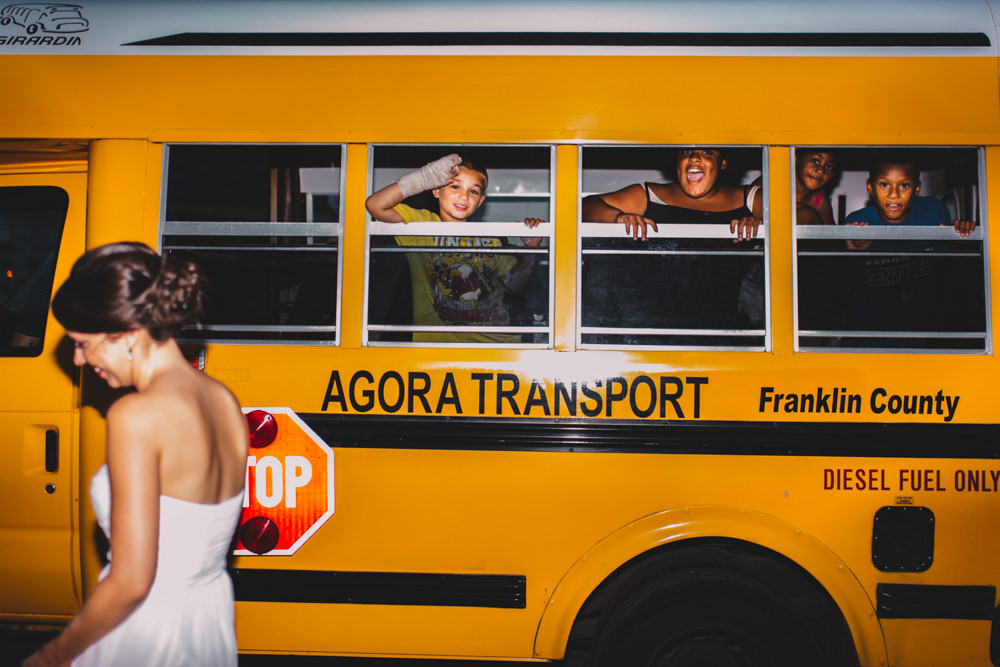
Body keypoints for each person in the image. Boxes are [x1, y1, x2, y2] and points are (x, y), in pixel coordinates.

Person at [24, 242, 248, 667]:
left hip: (149, 628)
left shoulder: (137, 415)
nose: (78, 358)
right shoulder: (222, 399)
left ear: (126, 335)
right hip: (207, 617)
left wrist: (53, 656)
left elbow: (131, 581)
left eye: (82, 344)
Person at [365, 153, 544, 343]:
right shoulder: (422, 224)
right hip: (439, 345)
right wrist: (424, 177)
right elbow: (375, 205)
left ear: (480, 201)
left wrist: (531, 250)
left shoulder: (490, 236)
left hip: (496, 343)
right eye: (455, 186)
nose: (463, 196)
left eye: (473, 191)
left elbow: (513, 284)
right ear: (435, 190)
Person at [840, 157, 978, 339]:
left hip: (925, 332)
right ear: (869, 187)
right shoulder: (858, 222)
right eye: (884, 184)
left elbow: (951, 268)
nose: (894, 194)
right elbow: (841, 283)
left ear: (917, 188)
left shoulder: (934, 211)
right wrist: (854, 252)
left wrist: (964, 236)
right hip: (869, 332)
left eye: (904, 185)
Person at [580, 147, 763, 241]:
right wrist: (618, 218)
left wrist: (762, 224)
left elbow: (789, 220)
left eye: (707, 152)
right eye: (685, 152)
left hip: (727, 311)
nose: (693, 158)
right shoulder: (648, 194)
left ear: (723, 162)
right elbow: (584, 207)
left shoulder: (751, 198)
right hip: (651, 309)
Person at [794, 150, 837, 226]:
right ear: (795, 158)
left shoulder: (820, 201)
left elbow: (831, 235)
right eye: (815, 161)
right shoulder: (773, 187)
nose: (821, 171)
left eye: (829, 167)